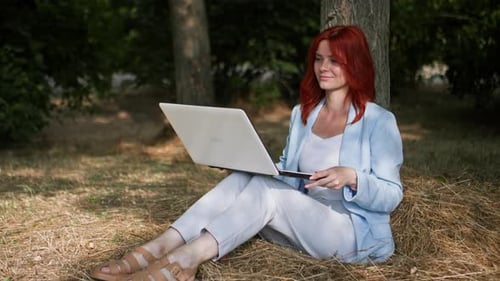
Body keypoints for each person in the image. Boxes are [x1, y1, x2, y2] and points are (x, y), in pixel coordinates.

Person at [91, 25, 404, 281]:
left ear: (355, 64)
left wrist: (353, 178)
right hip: (301, 220)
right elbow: (286, 170)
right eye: (319, 59)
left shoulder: (378, 121)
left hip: (350, 233)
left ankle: (184, 260)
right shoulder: (304, 114)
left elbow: (392, 195)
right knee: (246, 176)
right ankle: (160, 246)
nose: (323, 67)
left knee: (270, 194)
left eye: (335, 60)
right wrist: (246, 162)